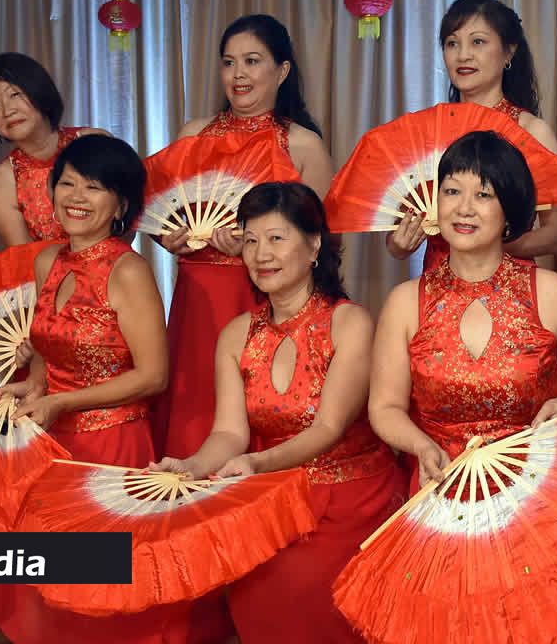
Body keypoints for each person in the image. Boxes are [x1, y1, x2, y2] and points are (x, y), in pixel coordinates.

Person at [368, 131, 557, 643]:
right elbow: (385, 407)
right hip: (441, 490)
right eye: (452, 190)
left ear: (510, 211)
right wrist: (420, 446)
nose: (464, 208)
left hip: (533, 496)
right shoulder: (405, 301)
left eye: (483, 194)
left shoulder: (549, 292)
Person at [155, 182, 404, 643]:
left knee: (306, 586)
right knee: (252, 590)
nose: (260, 254)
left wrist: (255, 463)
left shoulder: (349, 323)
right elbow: (229, 432)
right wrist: (192, 466)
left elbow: (328, 427)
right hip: (273, 501)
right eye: (250, 240)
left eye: (275, 238)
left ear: (313, 245)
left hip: (351, 501)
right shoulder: (235, 335)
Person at [0, 134, 187, 644]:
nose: (76, 196)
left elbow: (151, 376)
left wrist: (61, 402)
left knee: (102, 588)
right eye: (67, 182)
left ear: (122, 206)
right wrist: (26, 387)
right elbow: (49, 353)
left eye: (94, 187)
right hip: (49, 444)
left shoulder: (129, 272)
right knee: (49, 580)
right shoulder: (49, 262)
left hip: (110, 447)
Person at [156, 14, 333, 463]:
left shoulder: (303, 145)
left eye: (252, 61)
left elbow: (322, 240)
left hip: (266, 300)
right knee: (195, 412)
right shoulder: (191, 136)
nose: (238, 74)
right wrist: (169, 239)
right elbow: (162, 216)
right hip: (197, 299)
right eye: (228, 62)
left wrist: (254, 250)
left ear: (283, 71)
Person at [387, 0, 557, 271]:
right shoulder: (427, 133)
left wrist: (484, 244)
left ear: (509, 51)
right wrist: (399, 244)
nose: (463, 55)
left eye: (478, 42)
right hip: (438, 286)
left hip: (507, 288)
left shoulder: (531, 131)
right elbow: (396, 236)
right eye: (452, 43)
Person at [0, 52, 109, 246]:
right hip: (51, 276)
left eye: (14, 94)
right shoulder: (0, 184)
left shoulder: (95, 142)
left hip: (117, 270)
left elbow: (126, 219)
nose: (7, 111)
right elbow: (25, 260)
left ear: (39, 90)